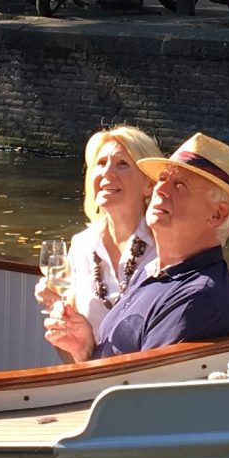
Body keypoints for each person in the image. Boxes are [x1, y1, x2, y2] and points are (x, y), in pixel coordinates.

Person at [45, 133, 229, 362]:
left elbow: (135, 390)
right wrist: (85, 348)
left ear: (217, 214)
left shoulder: (195, 297)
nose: (161, 189)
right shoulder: (153, 271)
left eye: (180, 185)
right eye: (162, 179)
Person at [40, 124, 159, 336]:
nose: (107, 172)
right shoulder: (81, 246)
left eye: (122, 164)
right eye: (101, 163)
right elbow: (73, 349)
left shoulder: (167, 243)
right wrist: (58, 306)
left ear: (149, 184)